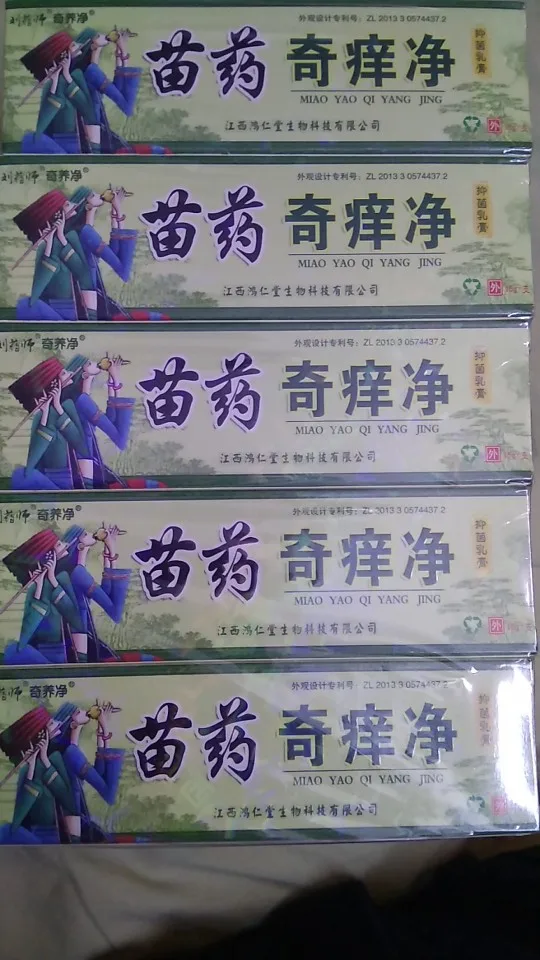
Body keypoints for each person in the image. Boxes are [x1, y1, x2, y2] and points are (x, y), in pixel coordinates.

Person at [2, 528, 85, 665]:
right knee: (12, 650)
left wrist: (52, 578)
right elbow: (27, 631)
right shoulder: (35, 588)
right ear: (48, 557)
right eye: (59, 545)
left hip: (59, 651)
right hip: (39, 650)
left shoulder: (63, 578)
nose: (65, 545)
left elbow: (75, 619)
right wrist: (39, 586)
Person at [12, 189, 95, 321]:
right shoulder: (44, 246)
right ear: (57, 215)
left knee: (24, 305)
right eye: (67, 204)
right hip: (51, 309)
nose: (74, 205)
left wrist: (61, 236)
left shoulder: (71, 237)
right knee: (24, 305)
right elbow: (39, 287)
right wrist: (49, 244)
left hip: (71, 309)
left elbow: (84, 274)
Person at [0, 706, 78, 843]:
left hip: (52, 837)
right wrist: (31, 769)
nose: (58, 724)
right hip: (32, 837)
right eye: (51, 723)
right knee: (6, 830)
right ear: (41, 734)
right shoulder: (26, 769)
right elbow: (18, 820)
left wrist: (45, 760)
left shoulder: (56, 759)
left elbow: (70, 804)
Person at [49, 701, 124, 842]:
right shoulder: (71, 754)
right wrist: (105, 727)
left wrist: (101, 727)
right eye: (79, 712)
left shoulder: (69, 749)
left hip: (73, 811)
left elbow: (98, 773)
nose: (86, 712)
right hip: (73, 811)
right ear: (71, 723)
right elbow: (108, 793)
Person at [57, 524, 130, 663]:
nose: (92, 534)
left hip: (78, 630)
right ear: (77, 544)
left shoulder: (75, 569)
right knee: (82, 664)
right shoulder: (77, 573)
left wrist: (107, 553)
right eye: (85, 534)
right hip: (79, 631)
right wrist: (112, 549)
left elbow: (104, 593)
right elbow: (115, 612)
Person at [19, 31, 97, 154]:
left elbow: (88, 111)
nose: (78, 45)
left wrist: (67, 77)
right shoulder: (50, 84)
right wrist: (54, 84)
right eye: (73, 45)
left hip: (77, 142)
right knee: (30, 139)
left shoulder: (77, 75)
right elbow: (43, 123)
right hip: (58, 143)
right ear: (63, 55)